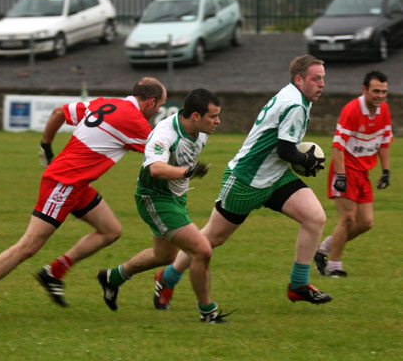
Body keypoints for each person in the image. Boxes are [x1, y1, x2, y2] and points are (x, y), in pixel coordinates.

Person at [0, 77, 167, 319]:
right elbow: (160, 155)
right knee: (29, 246)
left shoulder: (104, 103)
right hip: (64, 184)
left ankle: (54, 272)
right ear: (151, 103)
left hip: (76, 184)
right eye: (160, 105)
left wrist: (46, 145)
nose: (159, 111)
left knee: (110, 230)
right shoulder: (134, 120)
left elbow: (59, 112)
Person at [152, 54, 333, 311]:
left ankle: (299, 285)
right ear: (299, 79)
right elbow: (285, 151)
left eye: (323, 79)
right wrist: (306, 159)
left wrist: (301, 159)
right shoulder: (295, 104)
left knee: (315, 218)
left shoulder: (297, 96)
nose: (322, 84)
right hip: (246, 180)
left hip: (275, 176)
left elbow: (282, 151)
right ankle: (167, 278)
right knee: (211, 239)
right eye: (316, 79)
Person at [97, 88, 228, 323]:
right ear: (196, 116)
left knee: (163, 256)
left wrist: (184, 176)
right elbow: (155, 169)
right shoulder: (165, 134)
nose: (218, 121)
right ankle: (208, 311)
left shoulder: (201, 131)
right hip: (155, 198)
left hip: (176, 196)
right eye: (213, 116)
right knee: (202, 250)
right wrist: (188, 171)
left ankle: (112, 277)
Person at [314, 71, 393, 277]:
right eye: (376, 91)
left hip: (363, 173)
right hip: (345, 170)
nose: (380, 96)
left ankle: (323, 248)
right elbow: (338, 146)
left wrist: (385, 171)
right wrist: (340, 176)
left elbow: (384, 143)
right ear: (364, 90)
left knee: (366, 223)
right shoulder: (352, 110)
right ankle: (334, 267)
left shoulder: (384, 110)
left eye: (384, 92)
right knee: (348, 218)